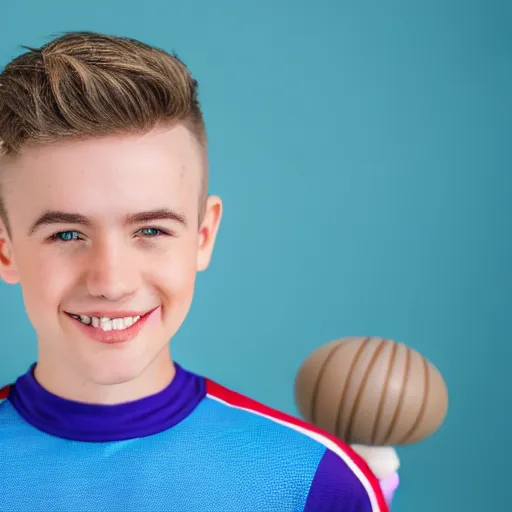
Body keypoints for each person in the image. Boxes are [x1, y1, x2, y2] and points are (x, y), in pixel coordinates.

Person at [0, 32, 388, 511]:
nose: (112, 282)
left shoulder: (315, 480)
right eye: (66, 235)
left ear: (203, 236)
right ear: (6, 249)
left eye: (151, 230)